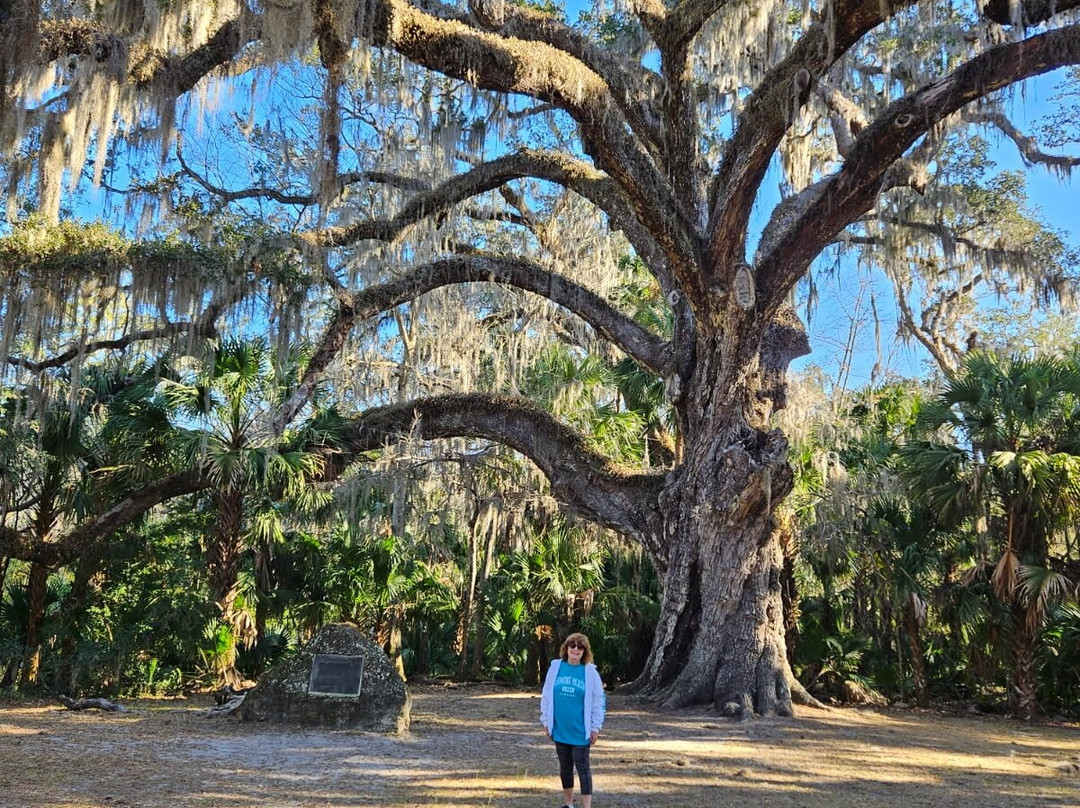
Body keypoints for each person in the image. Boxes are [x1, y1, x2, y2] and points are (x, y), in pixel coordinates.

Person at [540, 632, 605, 808]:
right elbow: (546, 696)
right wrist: (546, 721)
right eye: (572, 645)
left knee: (583, 769)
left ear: (585, 651)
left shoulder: (590, 672)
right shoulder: (555, 667)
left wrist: (595, 727)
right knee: (565, 768)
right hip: (560, 728)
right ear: (566, 648)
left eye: (580, 647)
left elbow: (598, 702)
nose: (576, 649)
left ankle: (586, 806)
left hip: (580, 730)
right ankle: (569, 804)